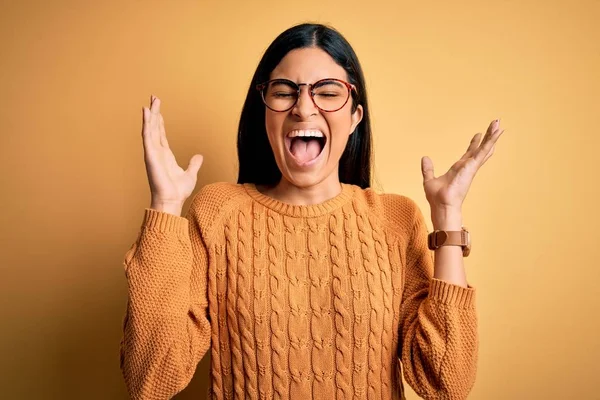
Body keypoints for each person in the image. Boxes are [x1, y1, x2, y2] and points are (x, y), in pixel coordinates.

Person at [119, 23, 504, 400]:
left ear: (355, 117)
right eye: (284, 91)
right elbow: (150, 380)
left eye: (328, 92)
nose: (304, 108)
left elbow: (447, 383)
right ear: (264, 114)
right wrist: (166, 207)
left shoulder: (396, 219)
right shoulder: (217, 212)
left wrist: (448, 218)